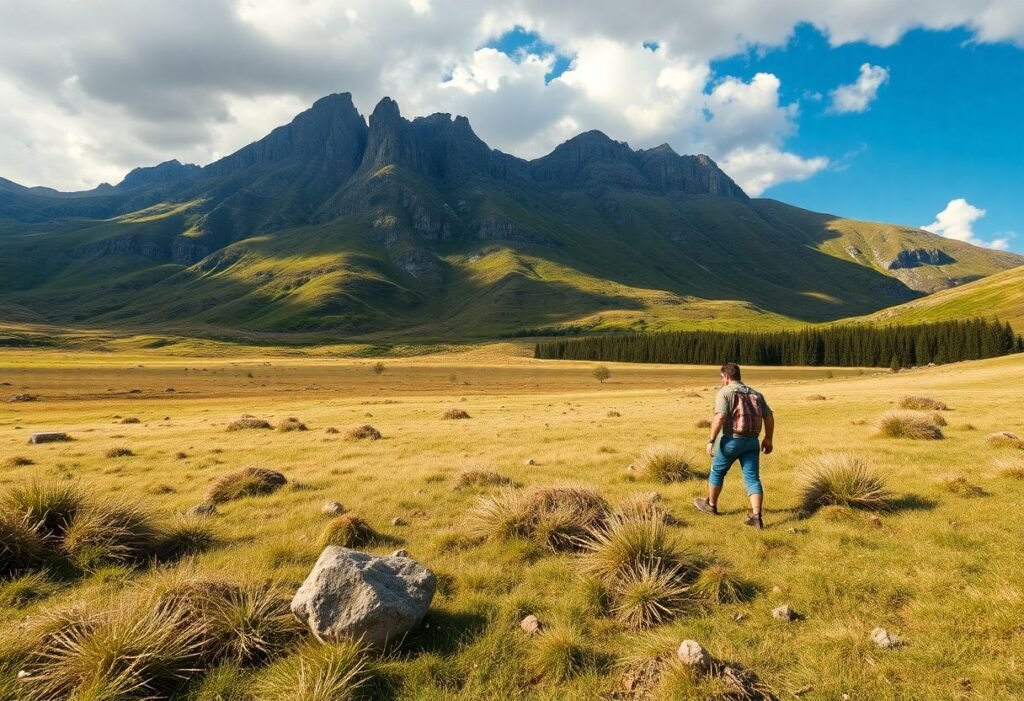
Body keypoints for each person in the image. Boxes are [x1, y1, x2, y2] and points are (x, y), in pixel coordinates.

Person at [693, 362, 774, 529]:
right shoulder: (756, 394)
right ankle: (757, 516)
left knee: (717, 472)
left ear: (727, 376)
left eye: (722, 377)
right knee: (752, 478)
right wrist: (768, 439)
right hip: (752, 442)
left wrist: (711, 440)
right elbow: (769, 416)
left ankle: (711, 505)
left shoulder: (725, 392)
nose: (722, 380)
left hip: (731, 440)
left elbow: (720, 417)